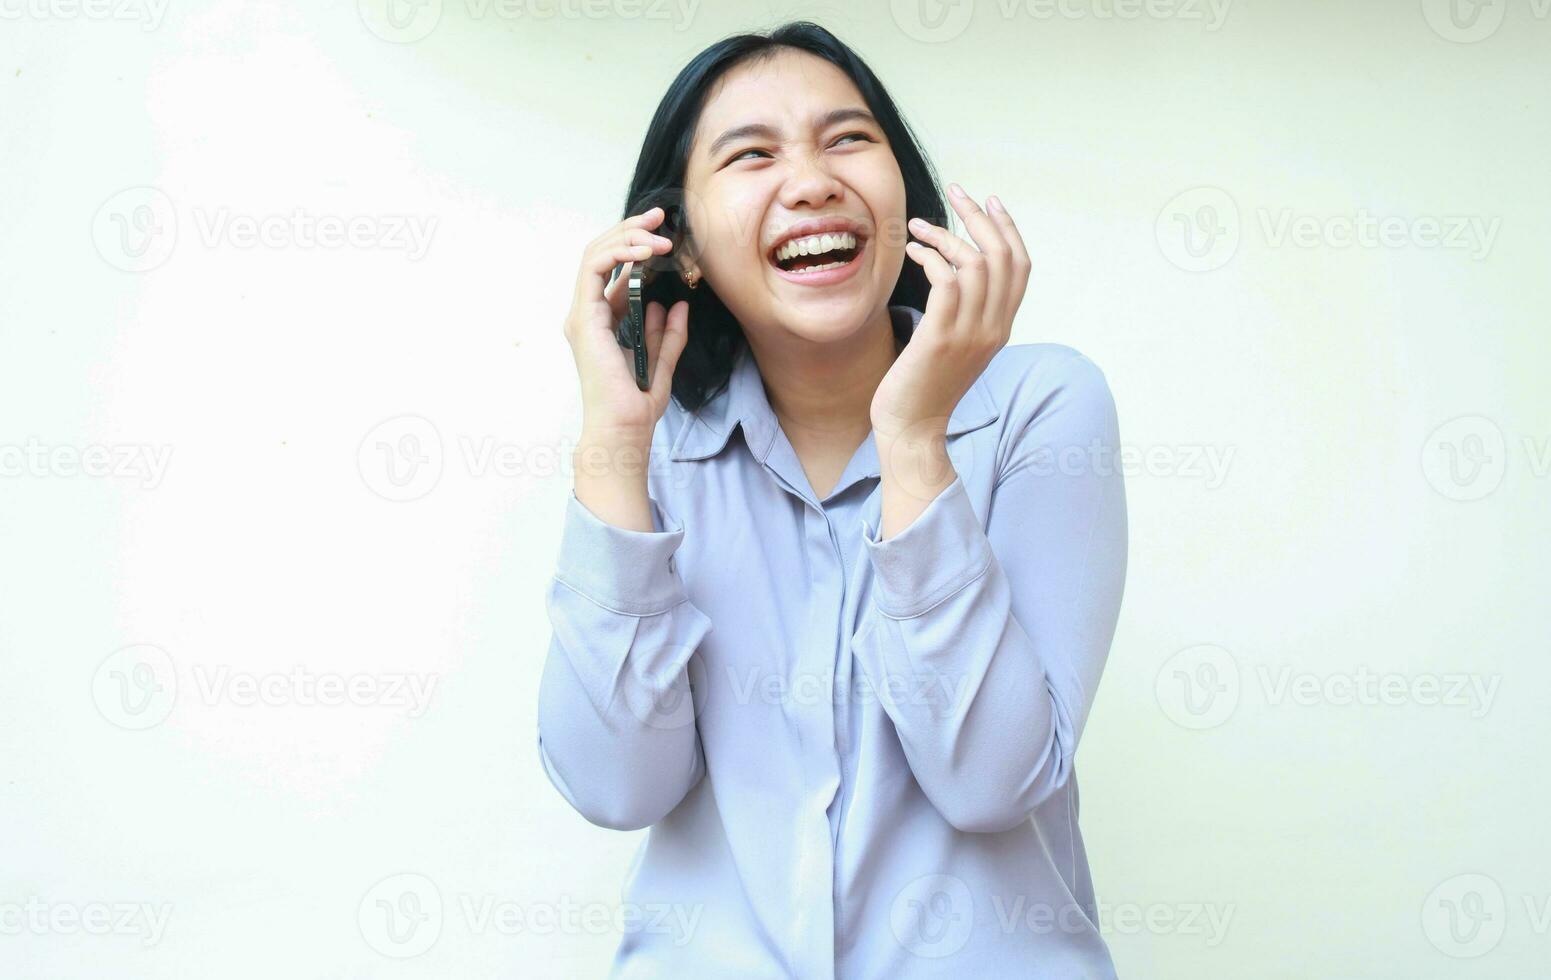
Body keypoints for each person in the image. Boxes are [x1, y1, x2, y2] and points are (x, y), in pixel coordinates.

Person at [542, 20, 1128, 979]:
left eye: (849, 139)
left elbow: (988, 780)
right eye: (751, 155)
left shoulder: (1040, 408)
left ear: (903, 197)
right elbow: (616, 785)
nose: (812, 180)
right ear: (677, 246)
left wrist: (912, 443)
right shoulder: (649, 450)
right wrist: (612, 449)